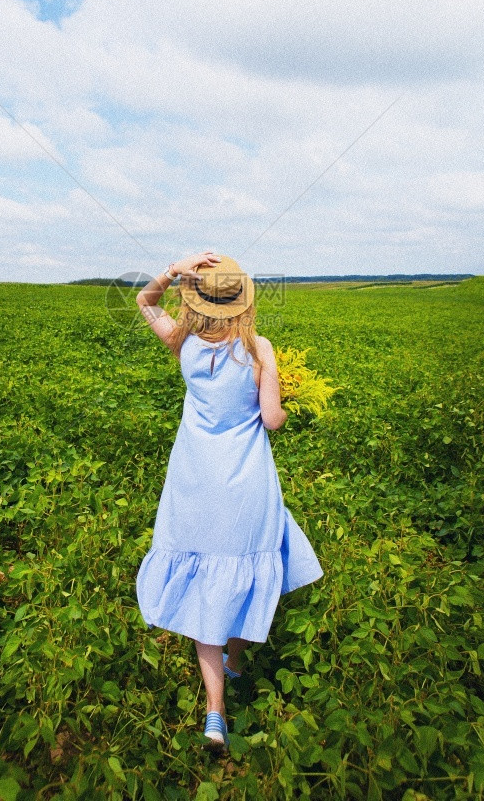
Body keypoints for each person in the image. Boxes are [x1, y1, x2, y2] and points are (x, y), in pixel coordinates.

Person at [134, 251, 323, 752]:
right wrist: (286, 394)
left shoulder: (183, 343)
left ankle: (215, 711)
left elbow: (143, 300)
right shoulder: (259, 349)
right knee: (245, 565)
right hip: (246, 482)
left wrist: (174, 269)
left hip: (194, 479)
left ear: (198, 300)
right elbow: (271, 420)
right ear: (241, 302)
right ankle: (237, 660)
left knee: (204, 583)